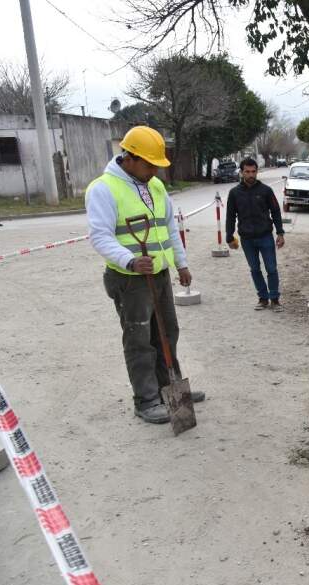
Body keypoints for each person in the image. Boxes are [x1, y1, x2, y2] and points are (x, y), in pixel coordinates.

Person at [86, 125, 204, 425]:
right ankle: (146, 400)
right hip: (130, 280)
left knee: (167, 333)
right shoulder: (103, 189)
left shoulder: (156, 187)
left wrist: (181, 264)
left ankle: (170, 388)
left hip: (160, 273)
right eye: (150, 164)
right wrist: (130, 260)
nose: (154, 171)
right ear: (131, 157)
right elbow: (100, 236)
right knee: (140, 339)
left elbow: (169, 229)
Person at [225, 157, 285, 311]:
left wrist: (280, 233)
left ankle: (275, 299)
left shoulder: (266, 191)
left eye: (253, 172)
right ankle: (263, 298)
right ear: (241, 172)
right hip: (247, 239)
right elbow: (230, 216)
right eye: (247, 172)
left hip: (265, 236)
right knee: (255, 269)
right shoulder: (234, 193)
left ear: (257, 172)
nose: (251, 175)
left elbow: (276, 211)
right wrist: (229, 236)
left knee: (271, 268)